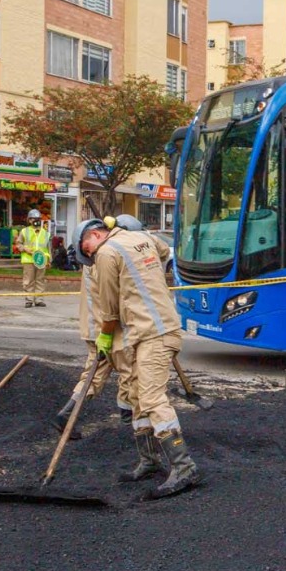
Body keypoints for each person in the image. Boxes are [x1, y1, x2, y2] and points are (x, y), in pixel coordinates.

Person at [79, 213, 201, 499]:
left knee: (151, 398)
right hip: (150, 330)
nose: (89, 255)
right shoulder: (143, 238)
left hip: (153, 333)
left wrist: (105, 336)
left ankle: (184, 466)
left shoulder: (107, 252)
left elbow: (108, 310)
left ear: (96, 234)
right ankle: (149, 460)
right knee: (135, 396)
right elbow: (161, 252)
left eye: (87, 249)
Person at [54, 215, 144, 440]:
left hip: (96, 326)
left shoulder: (98, 254)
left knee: (94, 374)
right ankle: (128, 418)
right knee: (130, 371)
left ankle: (66, 415)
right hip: (106, 327)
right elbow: (115, 298)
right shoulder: (106, 256)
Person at [14, 208, 51, 307]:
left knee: (40, 280)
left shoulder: (45, 232)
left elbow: (47, 248)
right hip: (28, 260)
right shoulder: (24, 231)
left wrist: (48, 259)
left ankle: (39, 299)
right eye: (33, 219)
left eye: (38, 219)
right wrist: (25, 249)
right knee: (28, 280)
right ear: (29, 220)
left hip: (41, 260)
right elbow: (18, 244)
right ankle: (29, 300)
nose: (36, 221)